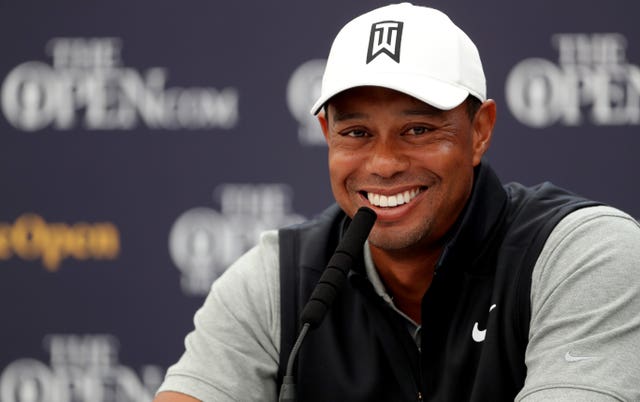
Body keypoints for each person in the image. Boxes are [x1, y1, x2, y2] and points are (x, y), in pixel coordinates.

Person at [154, 3, 640, 401]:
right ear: (327, 135)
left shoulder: (583, 254)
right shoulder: (279, 278)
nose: (384, 163)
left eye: (419, 130)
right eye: (357, 133)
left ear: (480, 132)